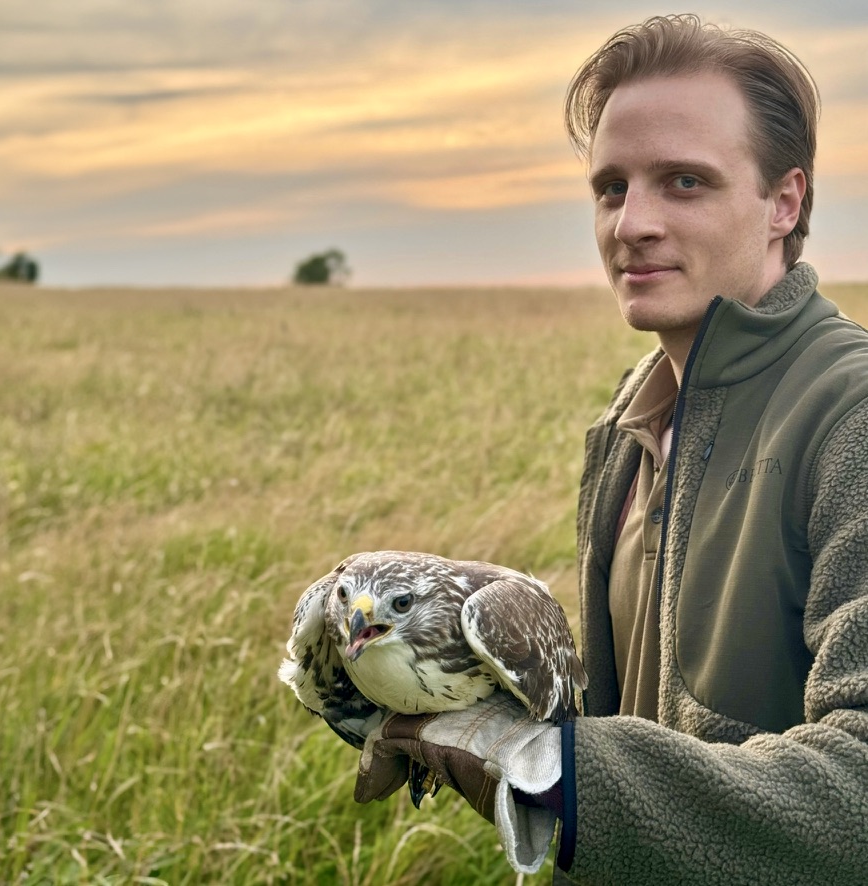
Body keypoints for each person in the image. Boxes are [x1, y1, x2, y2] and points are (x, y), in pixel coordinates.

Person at [353, 14, 868, 884]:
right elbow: (637, 702)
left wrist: (567, 773)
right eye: (610, 187)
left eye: (684, 182)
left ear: (784, 201)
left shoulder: (849, 413)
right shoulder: (641, 409)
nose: (633, 223)